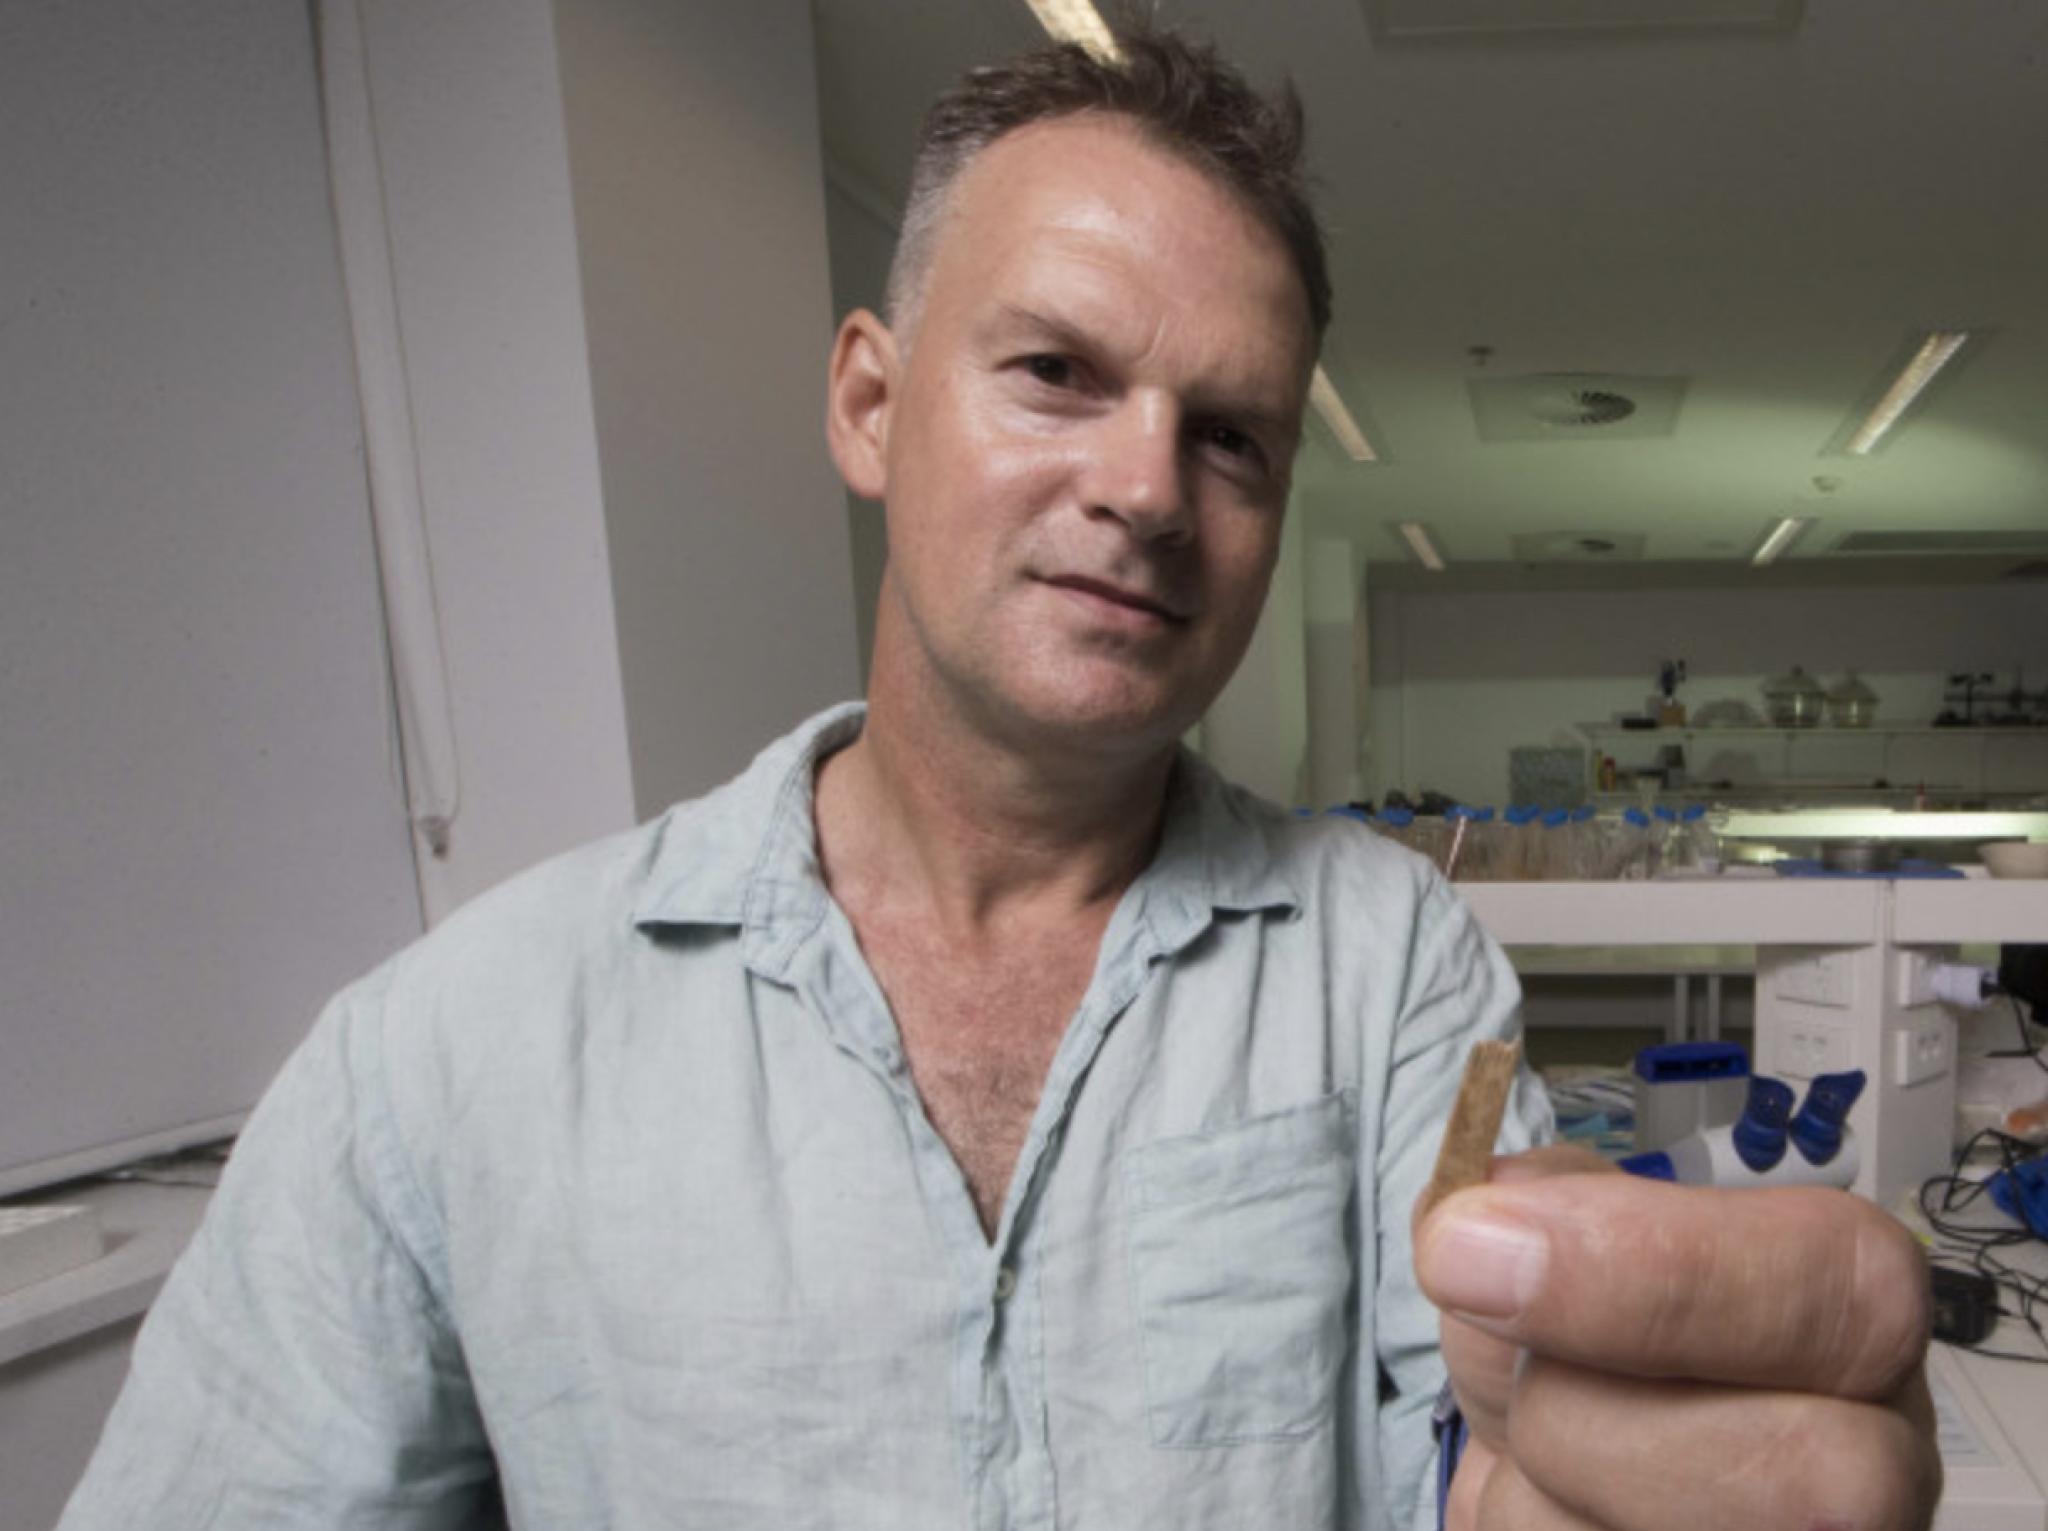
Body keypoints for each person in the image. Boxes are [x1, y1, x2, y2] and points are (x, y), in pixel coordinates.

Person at [60, 24, 1938, 1531]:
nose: (1143, 488)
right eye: (1054, 370)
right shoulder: (444, 1056)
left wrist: (1613, 1474)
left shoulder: (1401, 978)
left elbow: (1476, 1431)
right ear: (872, 404)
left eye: (1231, 438)